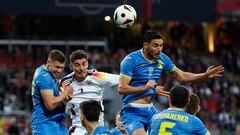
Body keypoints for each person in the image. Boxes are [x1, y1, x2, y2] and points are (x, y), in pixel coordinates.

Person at [118, 30, 224, 135]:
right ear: (145, 45)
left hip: (150, 109)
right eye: (155, 45)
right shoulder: (131, 60)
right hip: (132, 110)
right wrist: (145, 88)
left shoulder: (163, 59)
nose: (159, 49)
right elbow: (122, 88)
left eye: (161, 46)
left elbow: (182, 76)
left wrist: (204, 75)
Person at [60, 49, 119, 135]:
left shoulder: (97, 76)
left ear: (87, 64)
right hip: (78, 128)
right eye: (77, 65)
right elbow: (56, 103)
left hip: (98, 127)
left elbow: (121, 79)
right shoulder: (64, 83)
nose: (81, 68)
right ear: (71, 66)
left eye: (84, 64)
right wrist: (63, 100)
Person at [31, 50, 73, 135]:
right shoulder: (44, 77)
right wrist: (65, 93)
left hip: (57, 123)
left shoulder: (49, 74)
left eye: (62, 68)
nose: (60, 71)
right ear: (48, 62)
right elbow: (50, 105)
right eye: (57, 67)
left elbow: (55, 98)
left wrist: (64, 98)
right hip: (44, 124)